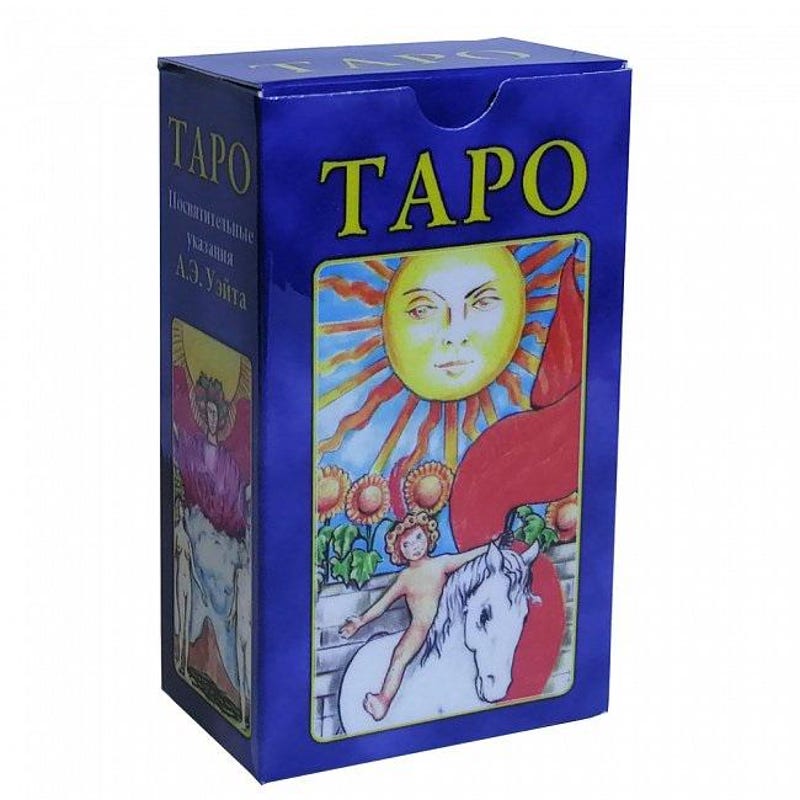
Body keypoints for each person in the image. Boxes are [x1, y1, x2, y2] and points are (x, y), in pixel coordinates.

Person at [339, 511, 494, 721]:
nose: (415, 546)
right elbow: (383, 605)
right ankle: (383, 700)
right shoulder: (405, 577)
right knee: (399, 656)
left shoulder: (441, 563)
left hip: (447, 622)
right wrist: (360, 621)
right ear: (399, 551)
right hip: (420, 627)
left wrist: (491, 547)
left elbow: (466, 557)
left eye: (418, 537)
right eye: (407, 544)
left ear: (428, 535)